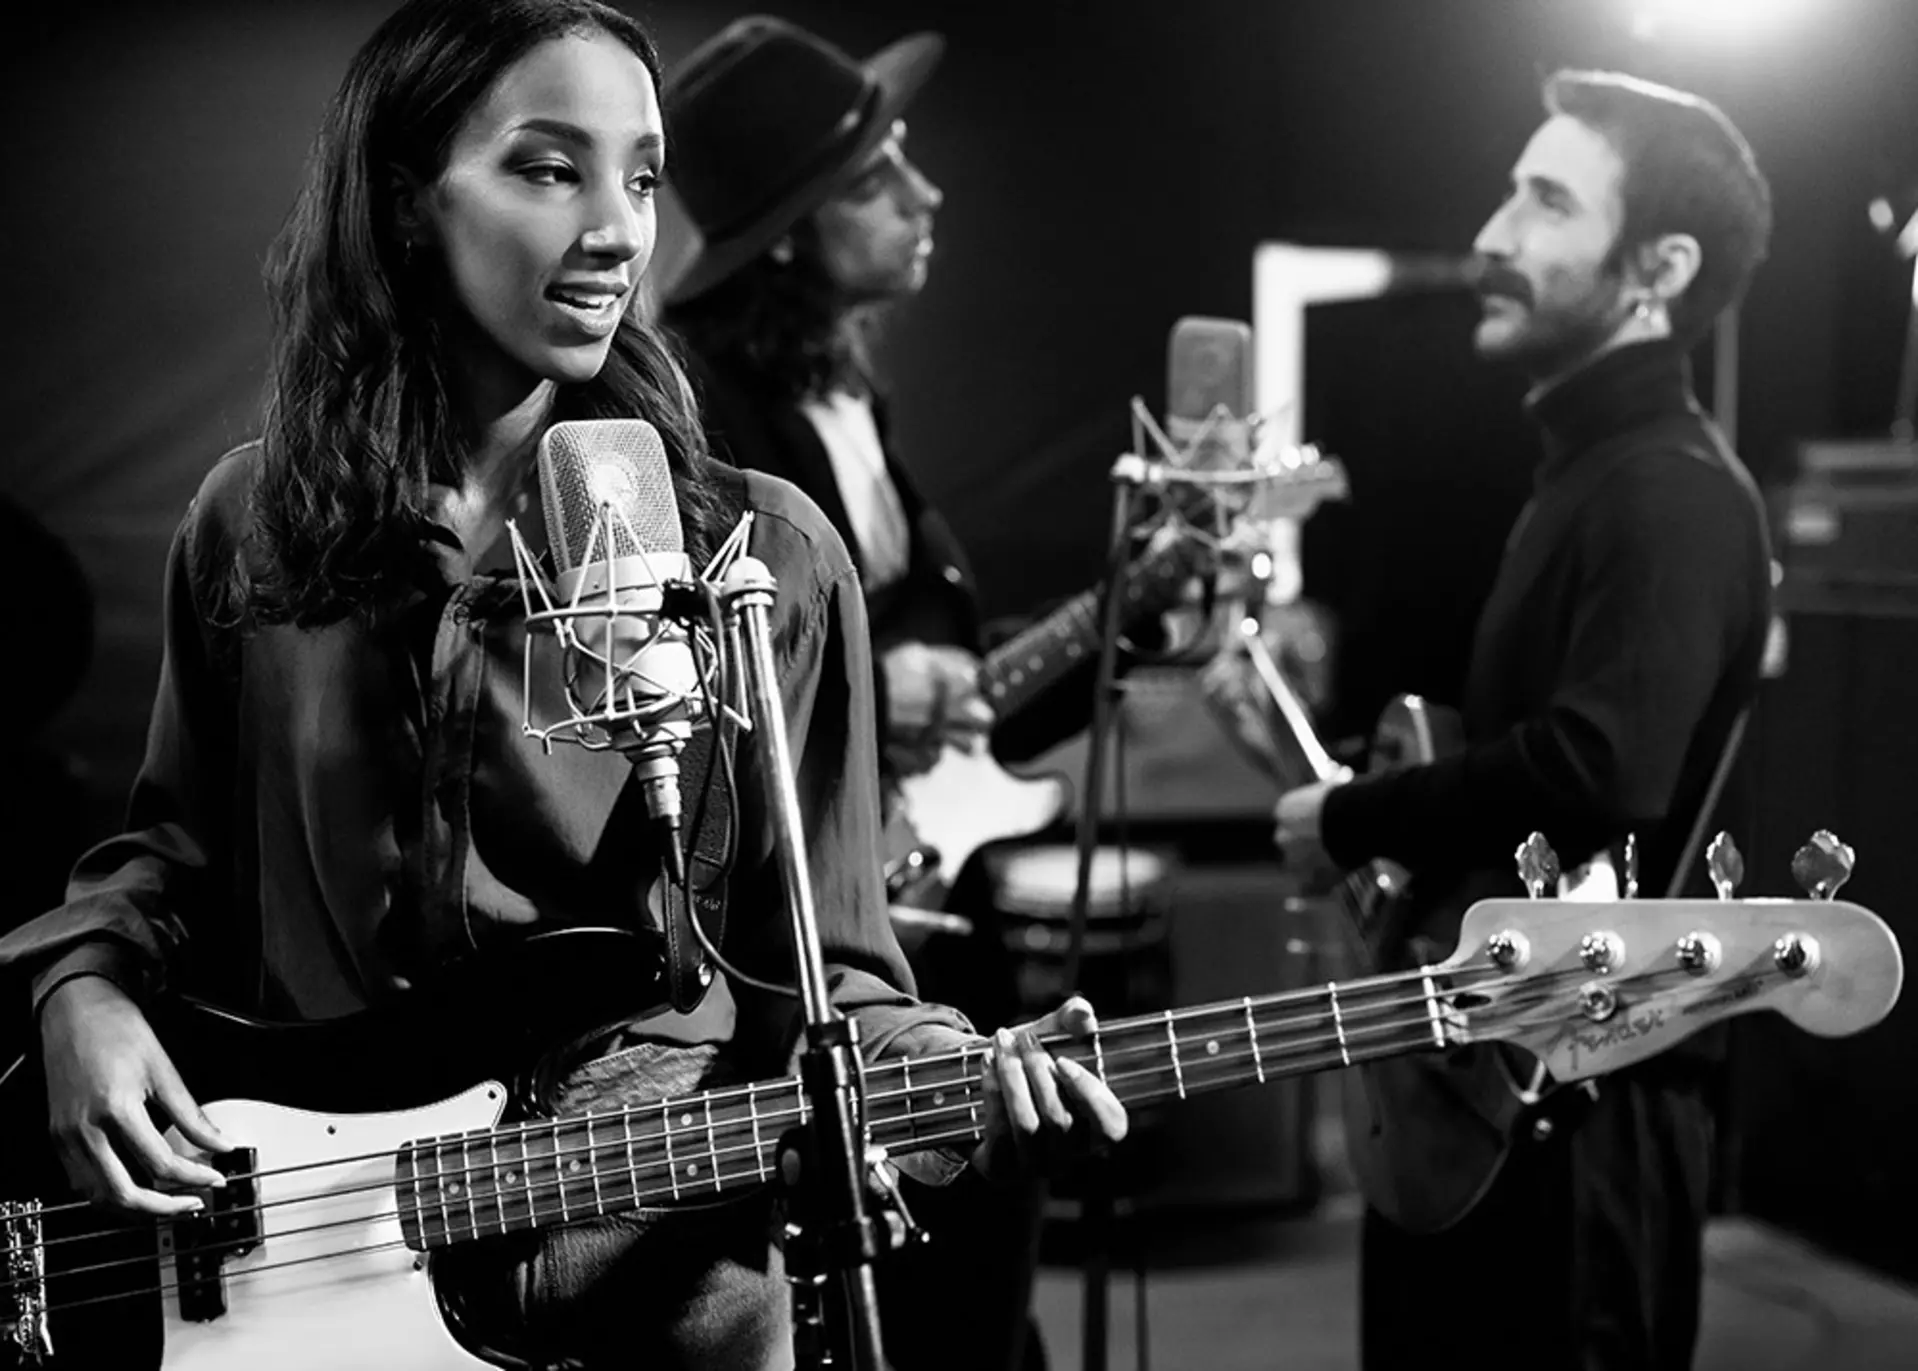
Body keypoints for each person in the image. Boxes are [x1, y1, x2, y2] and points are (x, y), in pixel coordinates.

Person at [0, 3, 1125, 1368]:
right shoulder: (252, 521)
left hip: (663, 1300)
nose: (616, 229)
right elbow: (168, 852)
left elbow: (833, 975)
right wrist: (85, 995)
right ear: (408, 200)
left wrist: (959, 1071)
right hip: (311, 1275)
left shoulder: (757, 553)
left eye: (643, 176)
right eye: (550, 167)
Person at [1273, 70, 1773, 1370]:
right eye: (1508, 192)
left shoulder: (1665, 489)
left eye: (1545, 202)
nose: (1492, 237)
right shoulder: (1589, 471)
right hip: (1502, 1091)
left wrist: (1348, 816)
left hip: (1576, 1125)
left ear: (1657, 266)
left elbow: (1597, 766)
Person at [658, 21, 1112, 1371]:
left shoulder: (850, 391)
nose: (925, 195)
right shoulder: (690, 403)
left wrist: (1131, 618)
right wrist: (855, 673)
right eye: (875, 178)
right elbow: (676, 705)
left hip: (924, 933)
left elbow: (964, 705)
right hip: (807, 969)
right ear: (787, 233)